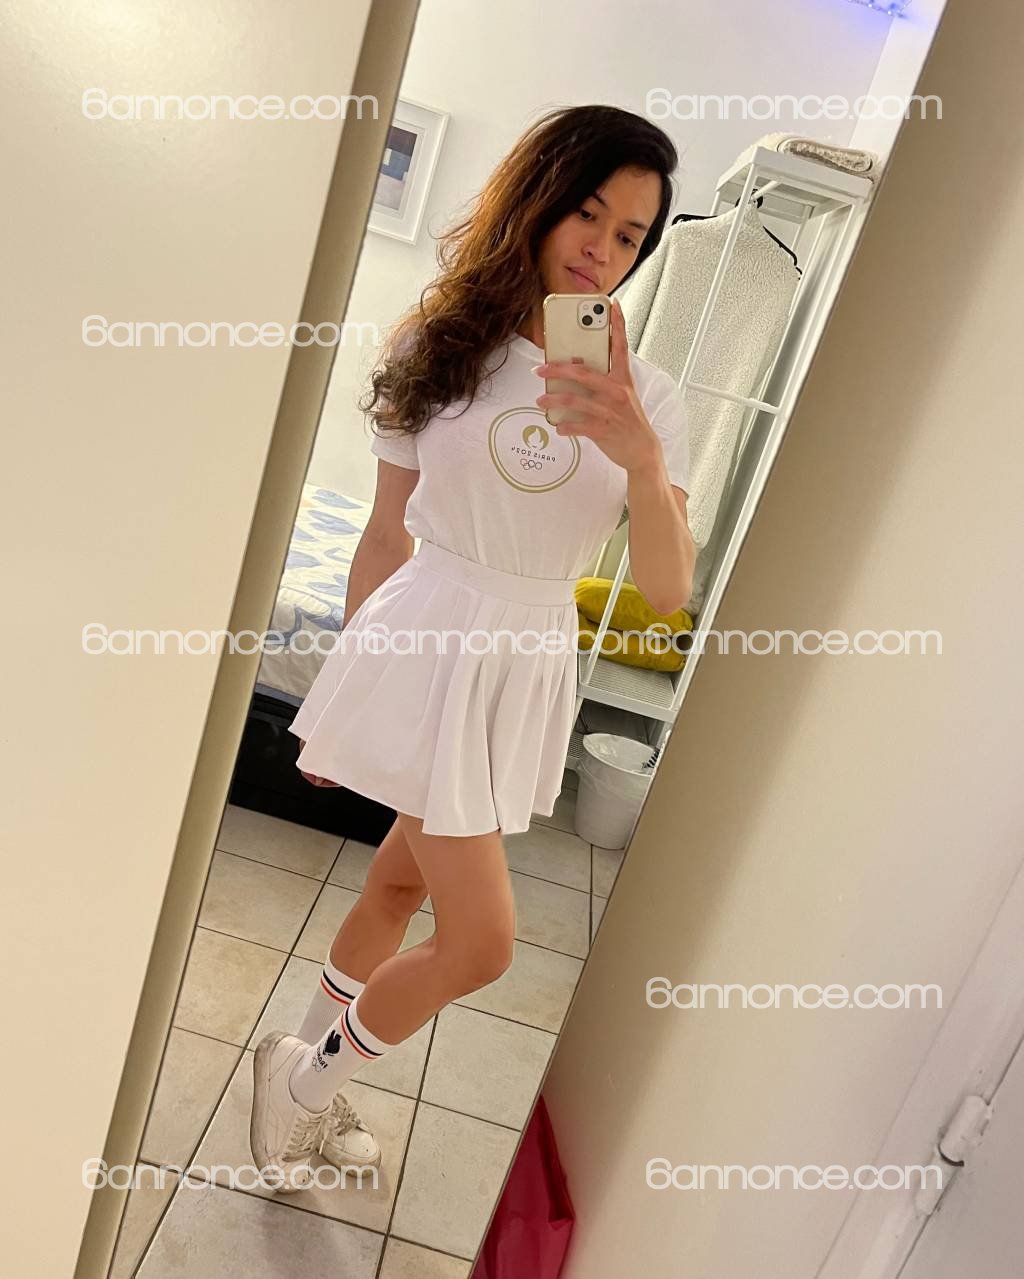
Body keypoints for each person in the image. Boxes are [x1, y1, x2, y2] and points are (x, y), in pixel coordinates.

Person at [248, 103, 696, 1193]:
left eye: (630, 234)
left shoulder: (654, 399)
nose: (602, 247)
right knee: (483, 944)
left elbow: (667, 589)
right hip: (425, 640)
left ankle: (297, 1061)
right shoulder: (440, 345)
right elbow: (384, 534)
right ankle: (300, 1087)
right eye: (587, 212)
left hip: (527, 659)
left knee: (399, 891)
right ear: (537, 202)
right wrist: (340, 697)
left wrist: (640, 457)